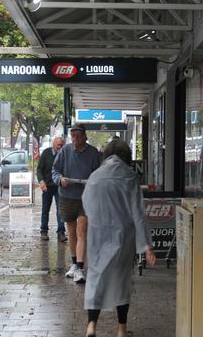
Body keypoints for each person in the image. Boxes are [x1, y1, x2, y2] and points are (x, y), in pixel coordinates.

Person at [81, 139, 156, 337]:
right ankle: (121, 329)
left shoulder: (94, 177)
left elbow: (86, 205)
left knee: (96, 278)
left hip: (97, 235)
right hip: (123, 236)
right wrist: (146, 246)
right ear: (126, 157)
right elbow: (138, 213)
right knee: (121, 281)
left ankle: (91, 325)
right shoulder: (130, 177)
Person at [52, 123, 101, 283]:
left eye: (78, 135)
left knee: (82, 229)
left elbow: (98, 173)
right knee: (71, 231)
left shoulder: (93, 153)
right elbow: (55, 171)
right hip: (67, 196)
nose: (75, 138)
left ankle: (80, 267)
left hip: (86, 198)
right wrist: (60, 180)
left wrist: (93, 182)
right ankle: (74, 264)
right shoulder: (65, 151)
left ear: (84, 136)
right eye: (72, 135)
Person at [37, 137, 66, 242]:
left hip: (59, 186)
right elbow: (39, 169)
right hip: (47, 186)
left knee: (60, 210)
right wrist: (41, 182)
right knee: (45, 209)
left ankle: (61, 232)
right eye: (58, 145)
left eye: (62, 145)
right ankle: (44, 231)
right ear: (54, 144)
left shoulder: (64, 154)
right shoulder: (46, 153)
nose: (60, 147)